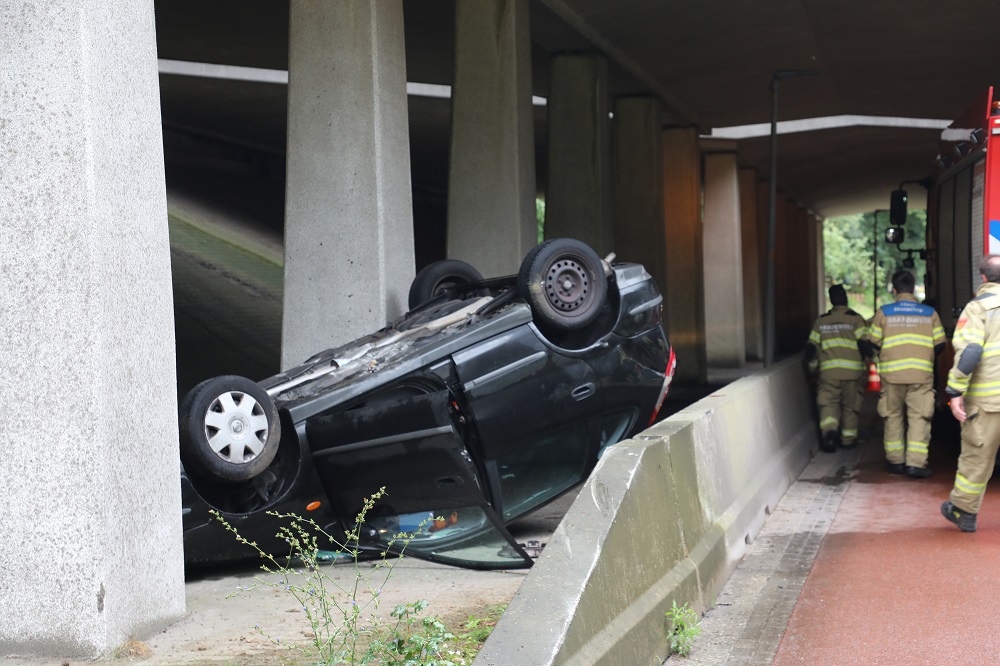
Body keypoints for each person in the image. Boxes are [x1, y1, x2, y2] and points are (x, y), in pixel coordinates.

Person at [941, 254, 1000, 532]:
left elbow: (971, 352)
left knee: (978, 457)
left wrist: (955, 391)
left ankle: (963, 511)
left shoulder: (978, 308)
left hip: (988, 402)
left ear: (983, 278)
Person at [868, 270, 945, 478]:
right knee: (919, 418)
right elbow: (940, 345)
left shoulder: (884, 312)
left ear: (894, 290)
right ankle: (916, 464)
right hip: (921, 376)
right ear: (913, 288)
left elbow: (872, 343)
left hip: (892, 376)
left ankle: (895, 462)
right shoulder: (930, 313)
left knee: (892, 416)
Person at [805, 284, 872, 452]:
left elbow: (811, 350)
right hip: (853, 373)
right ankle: (848, 440)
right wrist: (875, 362)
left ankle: (830, 434)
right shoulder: (855, 319)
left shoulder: (822, 321)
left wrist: (813, 369)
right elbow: (864, 345)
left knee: (828, 404)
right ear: (846, 299)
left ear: (831, 300)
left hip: (828, 374)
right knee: (851, 407)